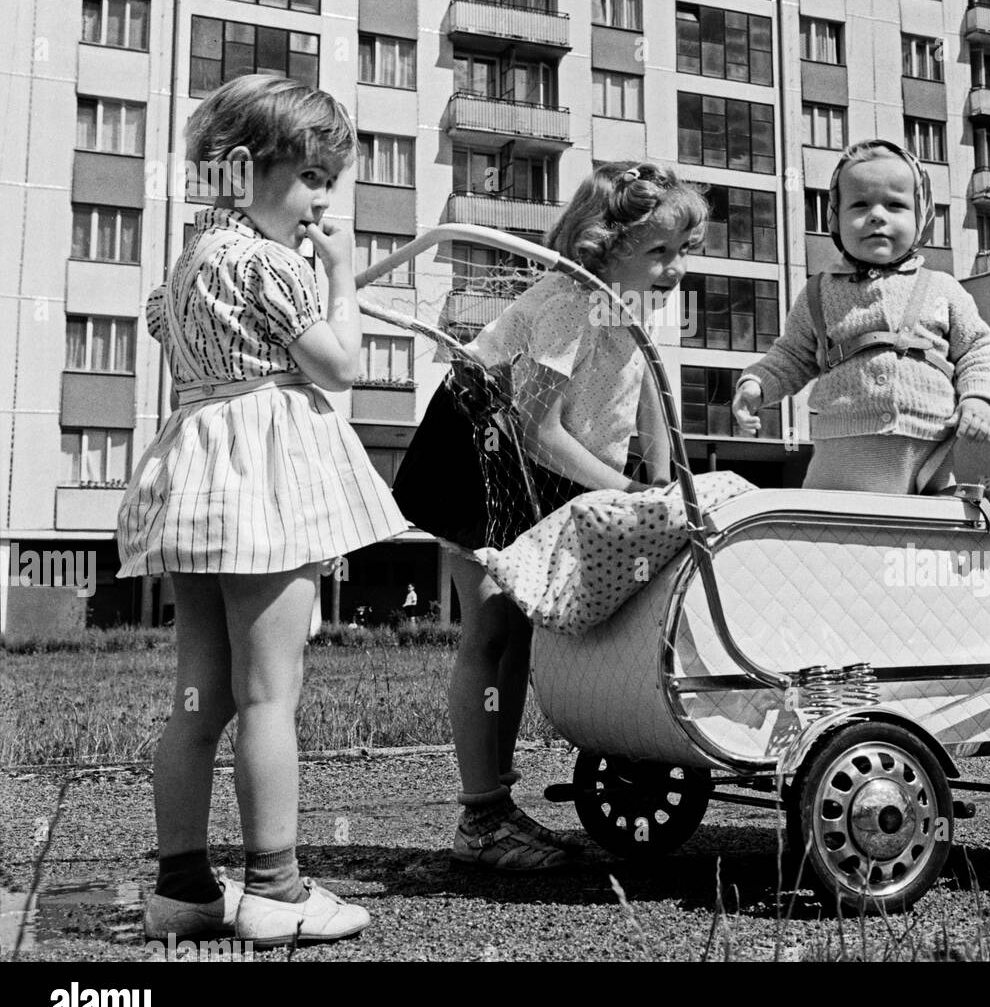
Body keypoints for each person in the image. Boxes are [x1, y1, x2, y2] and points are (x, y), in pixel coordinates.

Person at [118, 75, 406, 946]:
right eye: (314, 177)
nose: (325, 200)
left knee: (198, 697)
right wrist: (343, 277)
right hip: (266, 483)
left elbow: (176, 340)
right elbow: (338, 365)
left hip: (200, 479)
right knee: (270, 693)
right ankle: (276, 890)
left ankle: (182, 887)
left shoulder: (191, 263)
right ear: (243, 171)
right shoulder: (273, 264)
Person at [397, 162, 706, 870]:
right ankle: (482, 816)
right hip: (483, 458)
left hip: (538, 470)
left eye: (681, 251)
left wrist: (663, 478)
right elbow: (539, 427)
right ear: (604, 245)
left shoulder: (624, 304)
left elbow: (651, 394)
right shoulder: (570, 300)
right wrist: (625, 493)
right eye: (658, 251)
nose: (674, 269)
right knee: (493, 632)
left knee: (521, 635)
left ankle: (493, 809)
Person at [733, 140, 990, 493]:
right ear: (835, 218)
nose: (876, 215)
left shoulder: (943, 288)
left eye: (895, 205)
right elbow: (792, 356)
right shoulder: (819, 291)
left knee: (932, 536)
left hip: (930, 451)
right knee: (834, 531)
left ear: (922, 216)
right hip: (843, 448)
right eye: (859, 205)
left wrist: (978, 398)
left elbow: (976, 351)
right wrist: (755, 385)